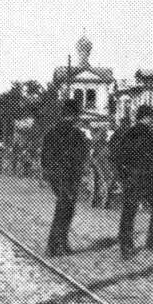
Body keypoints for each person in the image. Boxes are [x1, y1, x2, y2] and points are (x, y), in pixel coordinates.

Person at [110, 105, 153, 258]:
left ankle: (126, 246)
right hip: (145, 178)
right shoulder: (146, 134)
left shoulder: (131, 133)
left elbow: (118, 157)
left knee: (129, 211)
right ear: (146, 118)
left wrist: (123, 177)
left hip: (134, 178)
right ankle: (151, 242)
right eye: (151, 118)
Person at [41, 99, 89, 257]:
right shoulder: (77, 134)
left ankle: (61, 243)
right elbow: (82, 157)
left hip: (55, 176)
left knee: (64, 207)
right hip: (70, 176)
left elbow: (44, 159)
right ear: (74, 115)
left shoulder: (50, 133)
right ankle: (53, 246)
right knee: (65, 209)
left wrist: (51, 173)